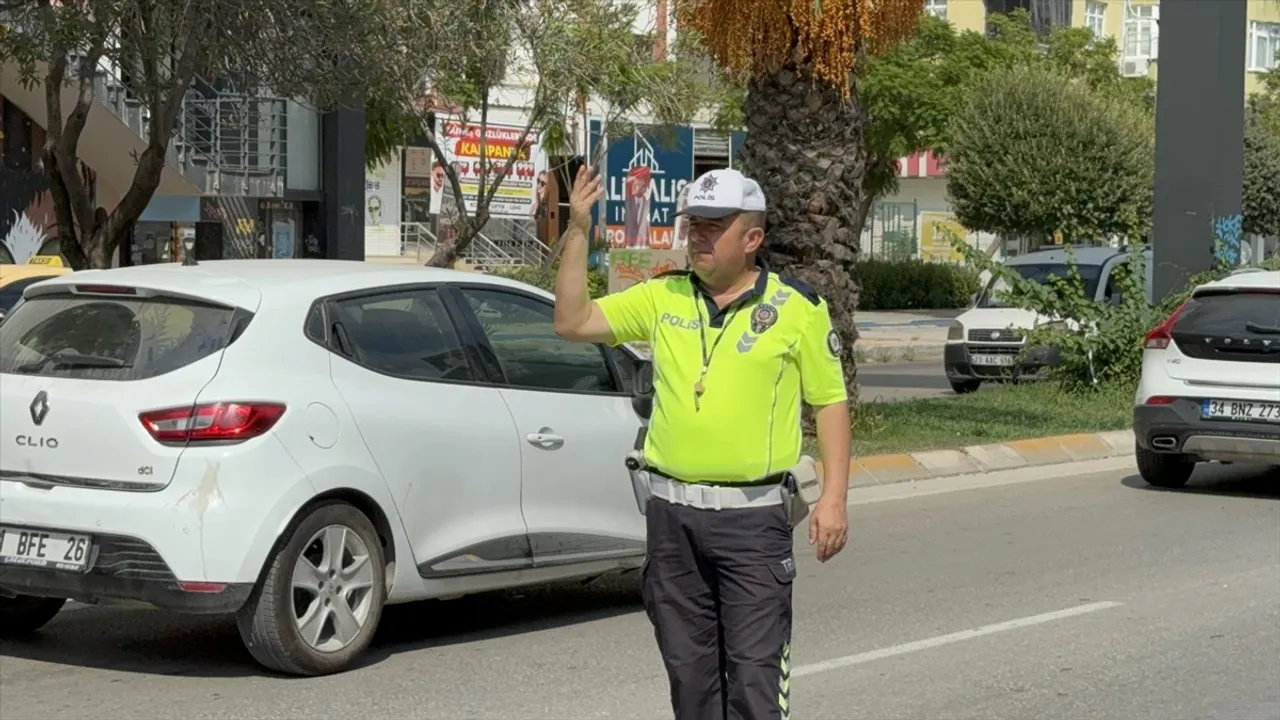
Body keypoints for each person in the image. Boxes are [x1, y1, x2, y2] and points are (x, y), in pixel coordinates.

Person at [553, 165, 852, 720]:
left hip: (752, 525)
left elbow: (830, 401)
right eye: (694, 225)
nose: (699, 237)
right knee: (691, 688)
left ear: (753, 239)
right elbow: (572, 321)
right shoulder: (663, 296)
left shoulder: (796, 308)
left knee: (755, 688)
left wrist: (834, 498)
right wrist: (577, 230)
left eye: (715, 227)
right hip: (672, 523)